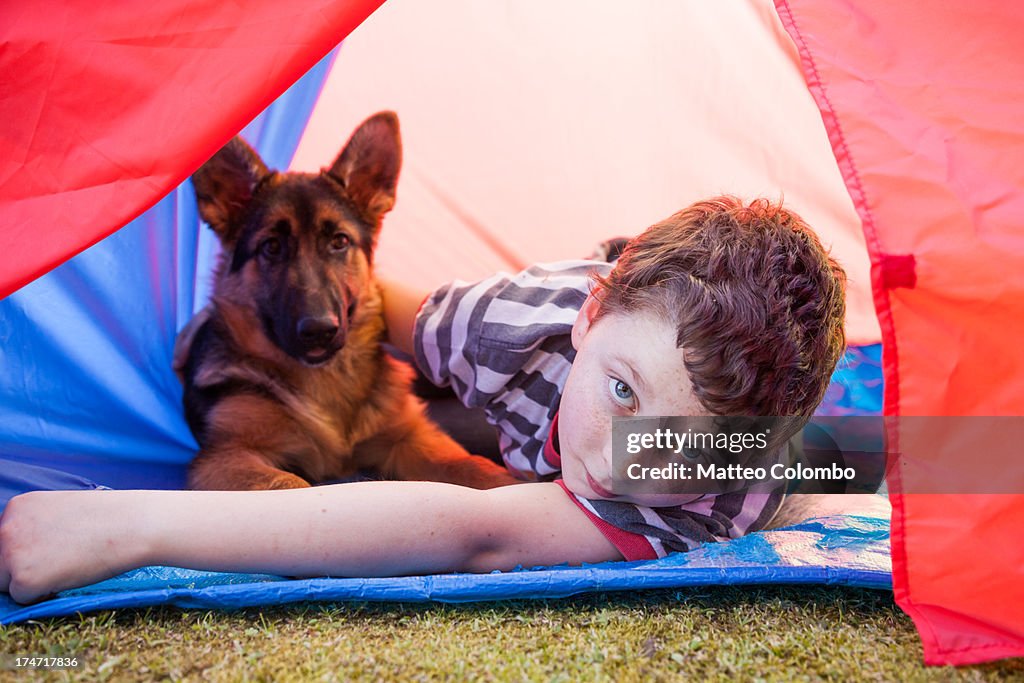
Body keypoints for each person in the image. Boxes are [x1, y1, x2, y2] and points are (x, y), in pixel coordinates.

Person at [0, 196, 848, 605]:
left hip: (798, 450)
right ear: (590, 315)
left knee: (873, 457)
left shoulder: (699, 487)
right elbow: (378, 310)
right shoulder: (512, 324)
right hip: (575, 322)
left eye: (674, 440)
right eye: (622, 393)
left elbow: (473, 532)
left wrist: (125, 524)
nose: (622, 452)